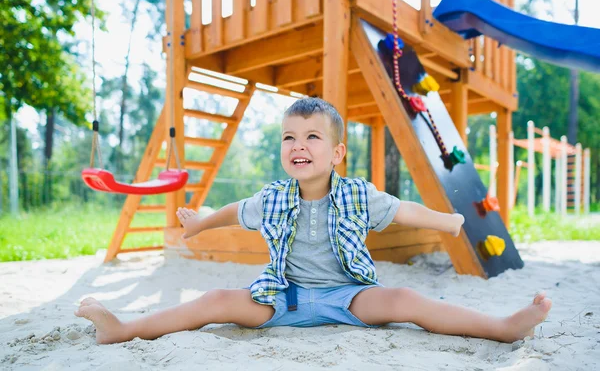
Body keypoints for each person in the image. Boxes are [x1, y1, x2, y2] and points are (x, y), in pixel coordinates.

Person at [75, 97, 551, 344]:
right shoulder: (274, 198)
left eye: (311, 137)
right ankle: (121, 329)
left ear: (337, 152)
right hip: (281, 299)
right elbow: (234, 211)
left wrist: (446, 222)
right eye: (288, 137)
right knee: (216, 298)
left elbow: (402, 209)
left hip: (349, 298)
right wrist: (199, 223)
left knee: (406, 298)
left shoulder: (357, 195)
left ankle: (503, 327)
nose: (298, 145)